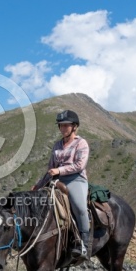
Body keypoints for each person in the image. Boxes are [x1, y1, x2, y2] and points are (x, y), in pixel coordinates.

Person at [33, 109, 90, 260]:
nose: (63, 128)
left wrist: (59, 170)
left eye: (66, 125)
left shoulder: (81, 143)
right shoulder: (57, 145)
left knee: (80, 207)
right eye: (61, 125)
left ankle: (84, 245)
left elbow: (79, 165)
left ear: (74, 126)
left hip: (75, 179)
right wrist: (38, 185)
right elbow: (50, 169)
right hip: (56, 180)